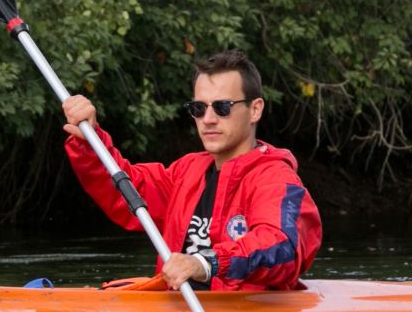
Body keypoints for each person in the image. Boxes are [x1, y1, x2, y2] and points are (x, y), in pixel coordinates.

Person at [61, 49, 321, 291]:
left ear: (255, 110)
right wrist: (89, 142)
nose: (208, 119)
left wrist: (206, 263)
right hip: (178, 309)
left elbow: (281, 248)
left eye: (222, 107)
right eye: (199, 108)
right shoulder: (187, 172)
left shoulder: (276, 180)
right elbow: (127, 188)